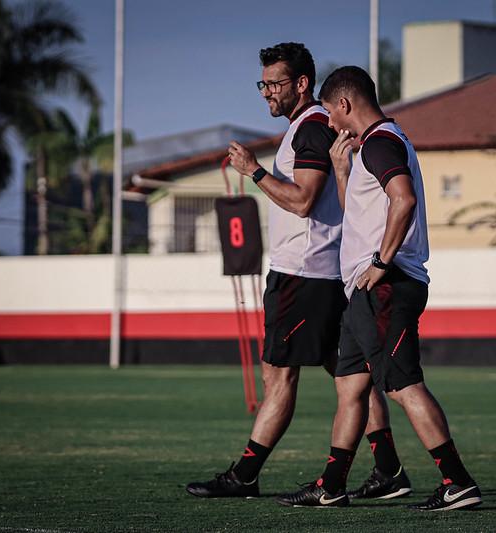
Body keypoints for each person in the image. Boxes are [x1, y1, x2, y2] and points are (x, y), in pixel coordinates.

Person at [186, 44, 411, 501]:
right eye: (263, 83)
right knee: (349, 376)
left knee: (279, 374)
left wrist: (254, 172)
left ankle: (245, 475)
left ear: (302, 84)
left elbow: (304, 200)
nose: (266, 92)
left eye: (275, 83)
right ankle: (388, 469)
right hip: (319, 274)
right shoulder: (304, 129)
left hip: (304, 275)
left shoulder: (310, 128)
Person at [275, 66, 481, 511]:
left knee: (403, 385)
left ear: (345, 105)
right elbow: (363, 213)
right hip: (362, 292)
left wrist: (381, 262)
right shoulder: (370, 146)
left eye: (330, 111)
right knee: (350, 387)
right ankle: (331, 484)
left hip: (385, 286)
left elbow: (402, 199)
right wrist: (341, 171)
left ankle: (457, 481)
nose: (329, 122)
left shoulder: (382, 141)